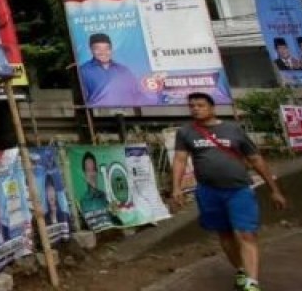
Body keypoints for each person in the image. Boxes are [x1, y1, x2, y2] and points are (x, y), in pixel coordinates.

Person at [172, 92, 286, 291]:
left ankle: (252, 283)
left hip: (238, 190)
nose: (195, 109)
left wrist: (274, 190)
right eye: (192, 106)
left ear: (212, 108)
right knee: (224, 235)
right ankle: (241, 269)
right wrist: (176, 188)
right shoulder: (186, 132)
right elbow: (180, 160)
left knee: (246, 234)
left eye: (200, 105)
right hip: (209, 192)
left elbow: (256, 159)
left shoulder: (233, 130)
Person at [78, 33, 146, 106]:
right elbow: (81, 100)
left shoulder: (123, 70)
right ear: (90, 50)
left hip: (127, 113)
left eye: (107, 49)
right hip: (99, 114)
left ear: (111, 50)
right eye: (98, 49)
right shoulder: (83, 71)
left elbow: (137, 94)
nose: (103, 52)